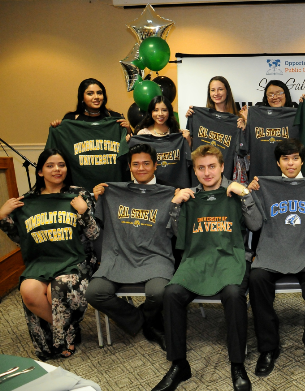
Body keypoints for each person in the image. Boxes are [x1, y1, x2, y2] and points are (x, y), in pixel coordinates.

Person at [152, 145, 261, 391]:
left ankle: (237, 364)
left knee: (234, 294)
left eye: (212, 166)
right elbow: (176, 234)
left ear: (222, 167)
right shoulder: (189, 196)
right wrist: (175, 205)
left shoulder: (235, 191)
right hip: (197, 259)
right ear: (195, 170)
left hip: (230, 258)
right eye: (201, 168)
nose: (207, 172)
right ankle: (179, 364)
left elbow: (255, 225)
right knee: (171, 293)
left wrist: (245, 194)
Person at [246, 138, 305, 381]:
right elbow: (254, 222)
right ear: (278, 163)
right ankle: (268, 347)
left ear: (302, 160)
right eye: (285, 159)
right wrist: (250, 192)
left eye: (295, 158)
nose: (291, 163)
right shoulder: (264, 186)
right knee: (256, 278)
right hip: (275, 250)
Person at [0, 149, 98, 360]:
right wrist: (2, 216)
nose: (57, 169)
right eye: (50, 165)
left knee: (58, 288)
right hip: (41, 262)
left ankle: (64, 337)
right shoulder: (28, 201)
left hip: (73, 261)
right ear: (40, 171)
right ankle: (68, 329)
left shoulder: (79, 195)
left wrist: (84, 212)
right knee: (29, 290)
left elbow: (94, 234)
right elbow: (21, 238)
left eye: (61, 165)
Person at [86, 144, 179, 352]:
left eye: (146, 163)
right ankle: (146, 323)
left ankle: (148, 321)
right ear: (129, 167)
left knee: (159, 292)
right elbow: (97, 223)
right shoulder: (113, 191)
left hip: (156, 257)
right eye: (135, 164)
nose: (141, 168)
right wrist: (98, 198)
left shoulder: (171, 191)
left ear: (156, 165)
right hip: (119, 256)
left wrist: (177, 203)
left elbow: (179, 231)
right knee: (94, 292)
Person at [50, 78, 131, 133]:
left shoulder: (115, 118)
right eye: (90, 94)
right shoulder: (71, 119)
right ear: (82, 98)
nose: (96, 97)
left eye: (99, 93)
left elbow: (131, 146)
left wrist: (128, 129)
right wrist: (57, 127)